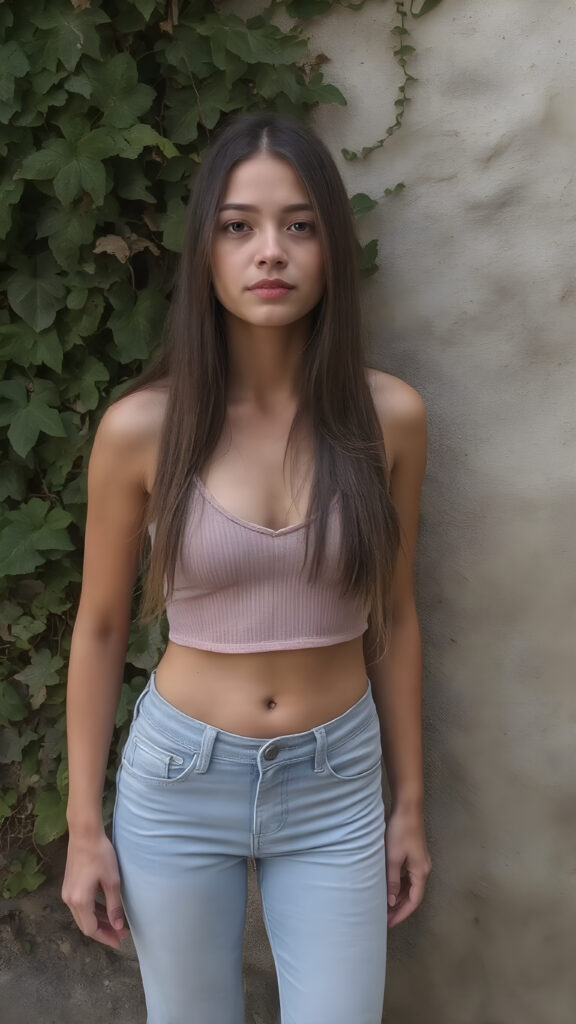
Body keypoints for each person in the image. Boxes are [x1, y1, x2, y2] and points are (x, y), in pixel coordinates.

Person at [62, 111, 432, 1024]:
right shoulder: (142, 428)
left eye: (299, 225)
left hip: (337, 783)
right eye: (240, 226)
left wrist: (411, 802)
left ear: (332, 249)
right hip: (181, 782)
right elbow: (102, 624)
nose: (271, 251)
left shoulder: (391, 418)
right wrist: (82, 827)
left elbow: (395, 614)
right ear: (207, 251)